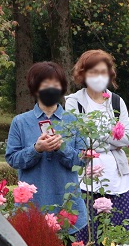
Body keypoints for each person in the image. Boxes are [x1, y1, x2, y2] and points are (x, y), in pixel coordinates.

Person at [5, 62, 87, 232]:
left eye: (56, 84)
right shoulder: (20, 122)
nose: (51, 88)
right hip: (32, 202)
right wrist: (36, 149)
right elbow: (12, 159)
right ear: (35, 89)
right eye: (45, 84)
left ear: (63, 88)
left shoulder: (74, 122)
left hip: (67, 203)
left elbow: (81, 160)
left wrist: (61, 147)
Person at [65, 50, 129, 239]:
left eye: (103, 72)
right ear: (83, 74)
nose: (99, 77)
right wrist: (111, 137)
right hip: (87, 180)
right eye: (93, 72)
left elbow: (127, 138)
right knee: (90, 238)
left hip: (118, 178)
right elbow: (78, 139)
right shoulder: (74, 102)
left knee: (123, 235)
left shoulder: (116, 101)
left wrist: (96, 133)